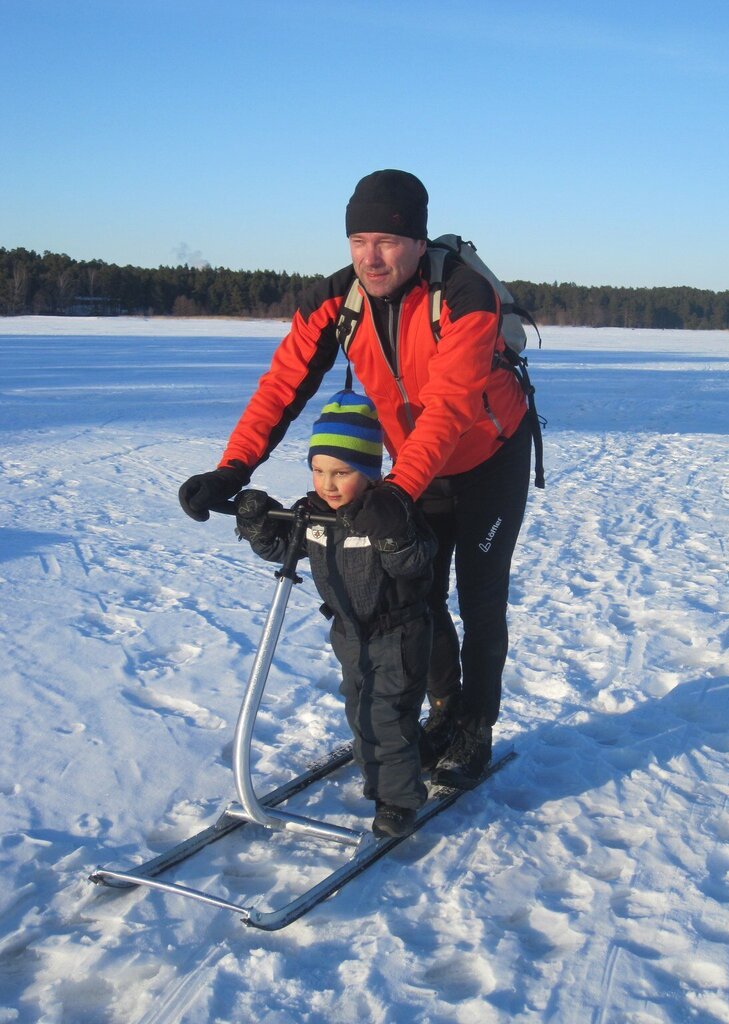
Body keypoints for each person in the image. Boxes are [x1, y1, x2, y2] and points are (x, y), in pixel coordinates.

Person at [179, 169, 534, 789]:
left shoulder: (465, 294)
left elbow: (450, 406)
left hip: (486, 462)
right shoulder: (335, 302)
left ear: (419, 243)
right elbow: (281, 387)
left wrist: (397, 492)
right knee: (414, 596)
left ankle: (475, 724)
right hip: (415, 468)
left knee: (479, 600)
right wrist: (232, 467)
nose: (371, 257)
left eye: (388, 242)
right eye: (358, 241)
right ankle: (445, 711)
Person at [234, 390, 436, 839]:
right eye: (319, 470)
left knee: (385, 715)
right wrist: (257, 526)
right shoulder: (314, 513)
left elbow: (417, 560)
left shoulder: (391, 511)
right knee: (360, 707)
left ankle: (398, 800)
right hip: (348, 634)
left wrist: (391, 536)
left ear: (369, 472)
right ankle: (396, 762)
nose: (327, 484)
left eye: (342, 473)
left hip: (397, 636)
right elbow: (283, 548)